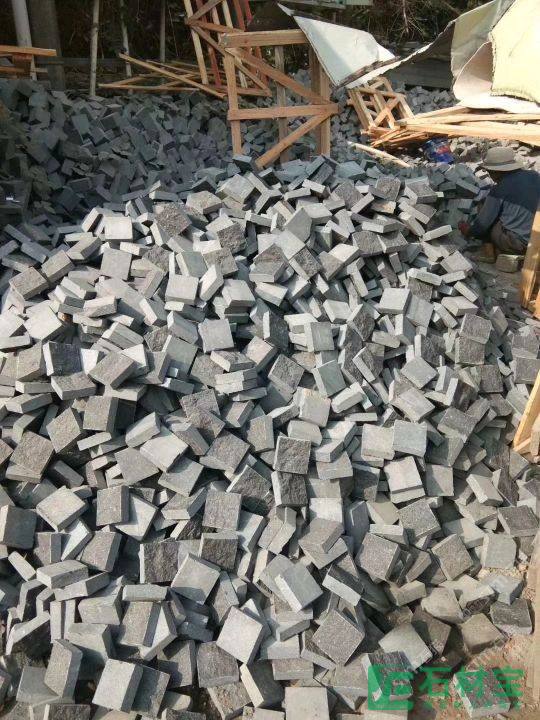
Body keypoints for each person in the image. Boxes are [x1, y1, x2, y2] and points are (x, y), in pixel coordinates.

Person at [458, 146, 540, 262]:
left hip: (519, 244)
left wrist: (467, 230)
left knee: (484, 205)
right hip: (537, 238)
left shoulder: (499, 190)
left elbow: (481, 227)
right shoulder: (534, 175)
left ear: (496, 172)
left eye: (489, 172)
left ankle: (488, 254)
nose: (489, 175)